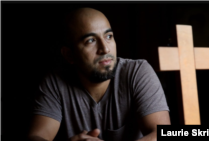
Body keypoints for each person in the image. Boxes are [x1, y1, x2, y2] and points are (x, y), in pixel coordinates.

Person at [27, 7, 170, 141]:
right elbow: (36, 136)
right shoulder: (55, 82)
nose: (105, 49)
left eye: (109, 36)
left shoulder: (137, 72)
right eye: (90, 40)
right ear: (69, 55)